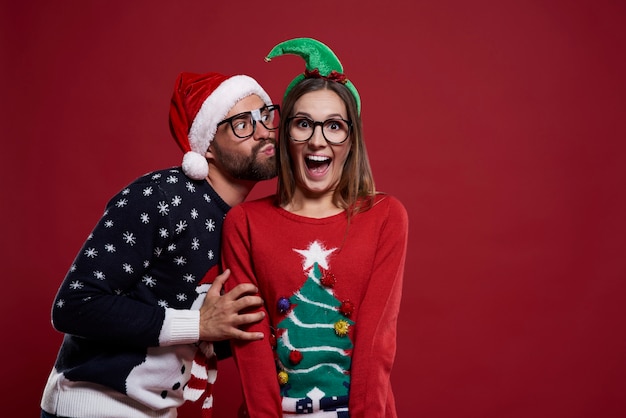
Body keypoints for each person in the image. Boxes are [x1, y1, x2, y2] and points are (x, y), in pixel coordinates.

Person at [40, 71, 281, 418]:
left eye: (265, 116)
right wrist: (199, 325)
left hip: (158, 411)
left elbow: (199, 326)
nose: (263, 131)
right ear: (208, 145)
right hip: (93, 407)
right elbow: (74, 305)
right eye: (242, 123)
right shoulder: (161, 197)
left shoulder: (240, 222)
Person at [221, 38, 409, 417]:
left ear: (352, 139)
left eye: (334, 126)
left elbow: (376, 342)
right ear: (285, 135)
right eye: (303, 124)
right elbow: (251, 347)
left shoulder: (386, 216)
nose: (317, 140)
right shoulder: (244, 223)